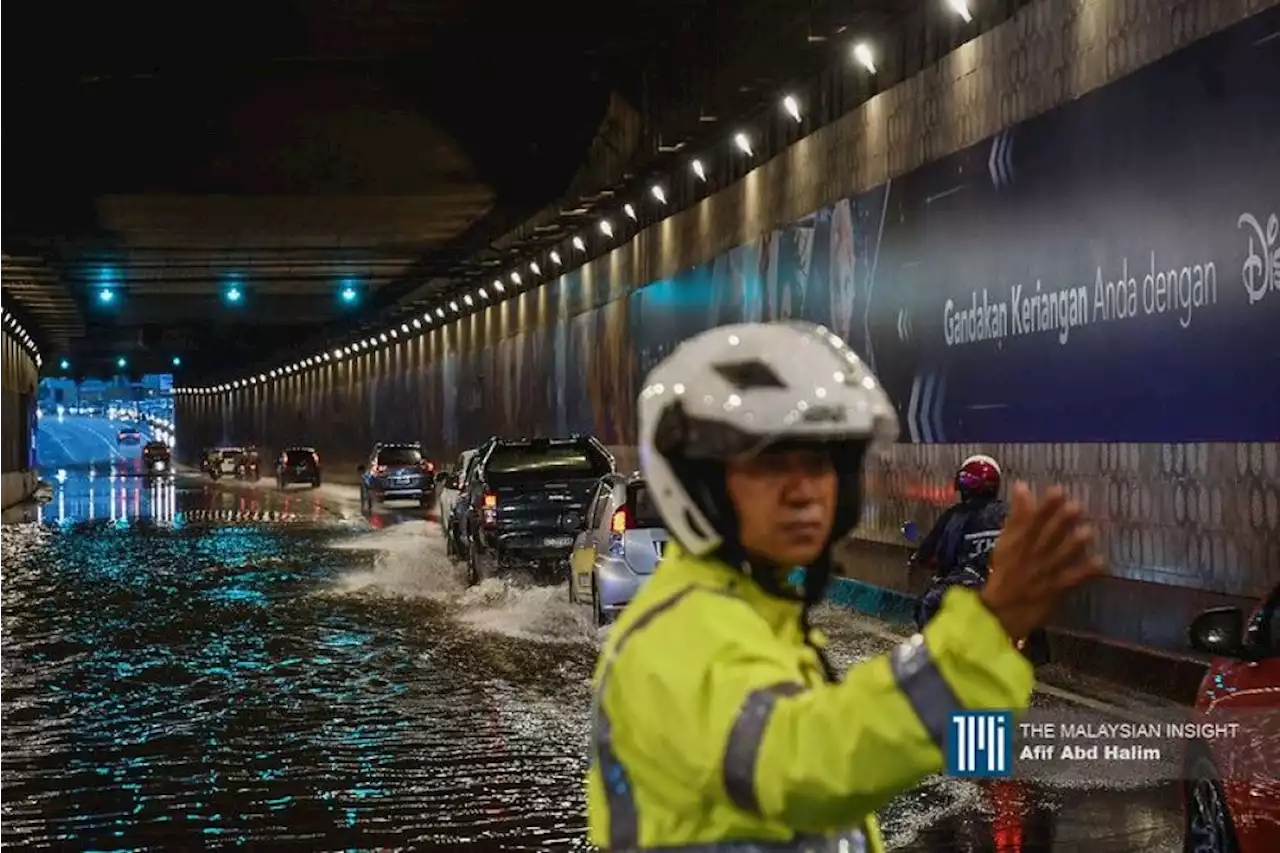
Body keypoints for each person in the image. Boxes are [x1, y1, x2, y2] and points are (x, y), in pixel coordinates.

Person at [585, 321, 1104, 852]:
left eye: (819, 465)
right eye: (770, 467)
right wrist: (983, 635)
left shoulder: (767, 628)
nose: (804, 491)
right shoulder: (677, 637)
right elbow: (806, 764)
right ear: (703, 486)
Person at [909, 454, 1007, 630]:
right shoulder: (1011, 514)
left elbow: (927, 555)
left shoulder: (953, 516)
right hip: (1007, 592)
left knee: (926, 604)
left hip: (964, 588)